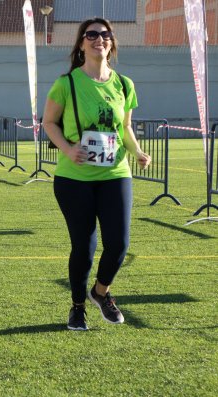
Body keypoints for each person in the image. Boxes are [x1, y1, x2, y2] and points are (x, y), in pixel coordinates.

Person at [42, 18, 151, 331]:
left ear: (111, 43)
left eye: (105, 35)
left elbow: (125, 126)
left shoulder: (125, 85)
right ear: (81, 44)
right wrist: (66, 148)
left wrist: (137, 151)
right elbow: (48, 122)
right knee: (85, 247)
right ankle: (77, 306)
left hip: (115, 173)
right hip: (74, 177)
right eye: (91, 35)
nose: (98, 39)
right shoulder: (67, 83)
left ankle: (100, 292)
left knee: (118, 243)